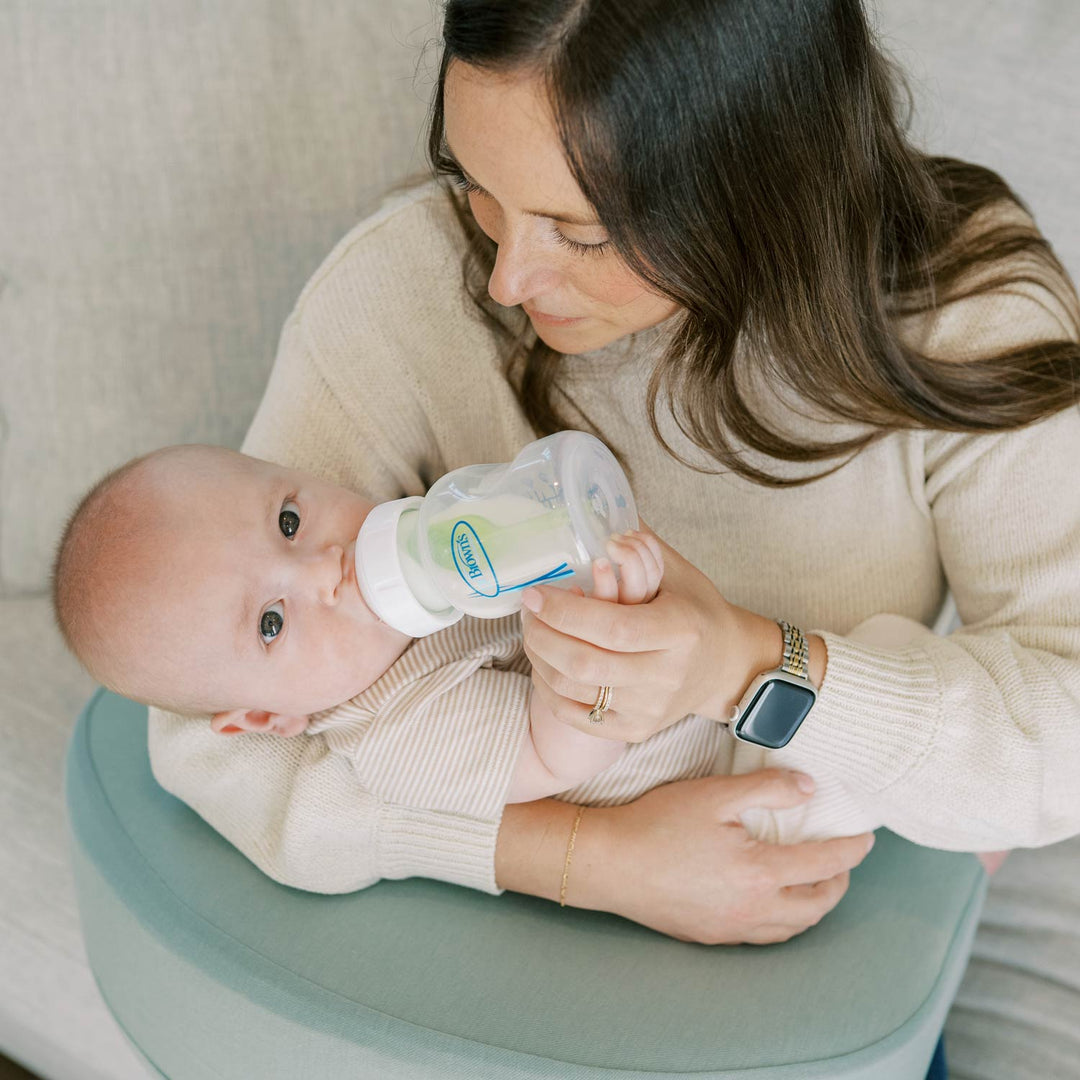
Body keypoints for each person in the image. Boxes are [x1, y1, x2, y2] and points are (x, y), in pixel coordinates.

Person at [147, 0, 1080, 965]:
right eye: (478, 188)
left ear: (760, 179)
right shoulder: (406, 291)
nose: (507, 277)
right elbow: (202, 726)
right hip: (477, 930)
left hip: (808, 909)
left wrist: (746, 666)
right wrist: (584, 859)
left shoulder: (965, 314)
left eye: (579, 233)